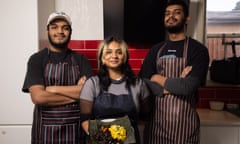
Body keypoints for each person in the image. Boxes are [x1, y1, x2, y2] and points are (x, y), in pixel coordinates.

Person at [138, 0, 210, 144]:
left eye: (177, 12)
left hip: (184, 128)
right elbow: (141, 82)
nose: (171, 16)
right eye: (167, 13)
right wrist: (176, 83)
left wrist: (157, 78)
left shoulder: (198, 50)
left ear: (187, 19)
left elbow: (188, 87)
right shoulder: (156, 50)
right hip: (155, 126)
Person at [22, 11, 93, 144]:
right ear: (47, 31)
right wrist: (77, 93)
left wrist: (52, 89)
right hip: (45, 134)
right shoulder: (37, 59)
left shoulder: (81, 59)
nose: (60, 31)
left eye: (65, 28)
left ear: (70, 32)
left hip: (76, 133)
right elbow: (38, 97)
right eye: (54, 27)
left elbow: (90, 94)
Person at [79, 36, 151, 144]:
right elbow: (85, 120)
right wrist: (107, 140)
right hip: (100, 141)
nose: (114, 56)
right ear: (102, 57)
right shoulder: (92, 84)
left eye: (119, 52)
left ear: (125, 56)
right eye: (108, 52)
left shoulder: (138, 84)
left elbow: (145, 117)